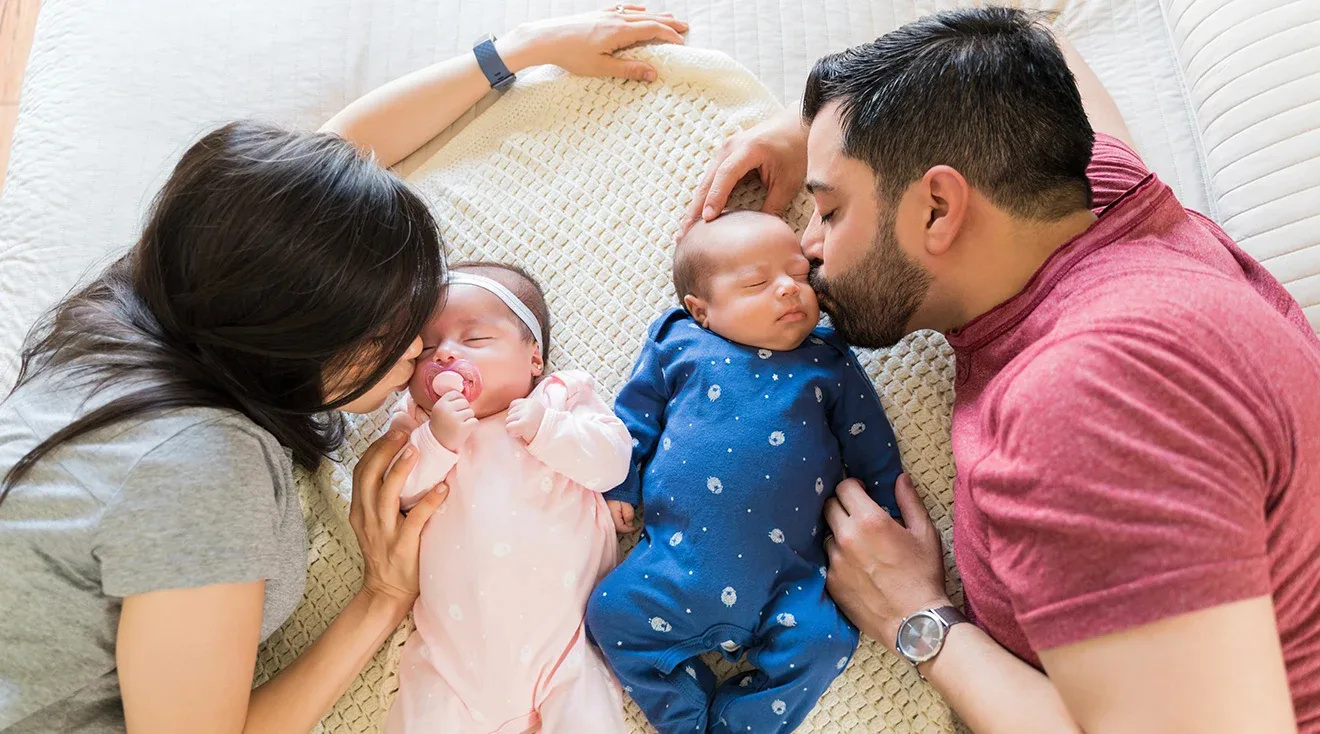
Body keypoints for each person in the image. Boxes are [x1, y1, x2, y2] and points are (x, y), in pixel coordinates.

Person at [0, 6, 686, 733]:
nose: (425, 355)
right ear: (306, 340)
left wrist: (520, 51)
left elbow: (336, 162)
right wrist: (381, 598)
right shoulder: (203, 471)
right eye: (401, 338)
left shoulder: (165, 283)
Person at [686, 7, 1319, 734]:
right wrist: (827, 133)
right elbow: (1030, 38)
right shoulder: (1096, 193)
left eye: (828, 210)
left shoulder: (1086, 400)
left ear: (938, 208)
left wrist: (918, 619)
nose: (806, 243)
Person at [587, 211, 901, 734]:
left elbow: (872, 446)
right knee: (609, 613)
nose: (789, 290)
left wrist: (889, 515)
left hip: (792, 578)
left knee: (826, 642)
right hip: (676, 568)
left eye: (800, 276)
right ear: (701, 311)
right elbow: (634, 415)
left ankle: (742, 722)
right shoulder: (679, 341)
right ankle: (685, 716)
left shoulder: (827, 359)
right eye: (758, 282)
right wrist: (623, 479)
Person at [385, 262, 632, 733]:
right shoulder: (417, 421)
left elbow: (612, 464)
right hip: (451, 662)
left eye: (475, 340)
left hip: (566, 650)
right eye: (428, 348)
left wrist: (549, 430)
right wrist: (437, 441)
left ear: (534, 358)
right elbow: (397, 495)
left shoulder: (560, 399)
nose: (445, 357)